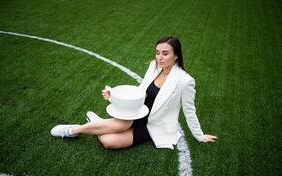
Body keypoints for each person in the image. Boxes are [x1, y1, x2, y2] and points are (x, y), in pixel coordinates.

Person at [51, 36, 217, 149]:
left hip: (155, 123)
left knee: (108, 141)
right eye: (157, 52)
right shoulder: (154, 66)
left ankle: (98, 123)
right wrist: (113, 96)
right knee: (122, 124)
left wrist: (200, 136)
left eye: (165, 53)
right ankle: (73, 131)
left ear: (176, 56)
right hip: (137, 112)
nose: (160, 57)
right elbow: (140, 91)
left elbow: (189, 110)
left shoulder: (185, 80)